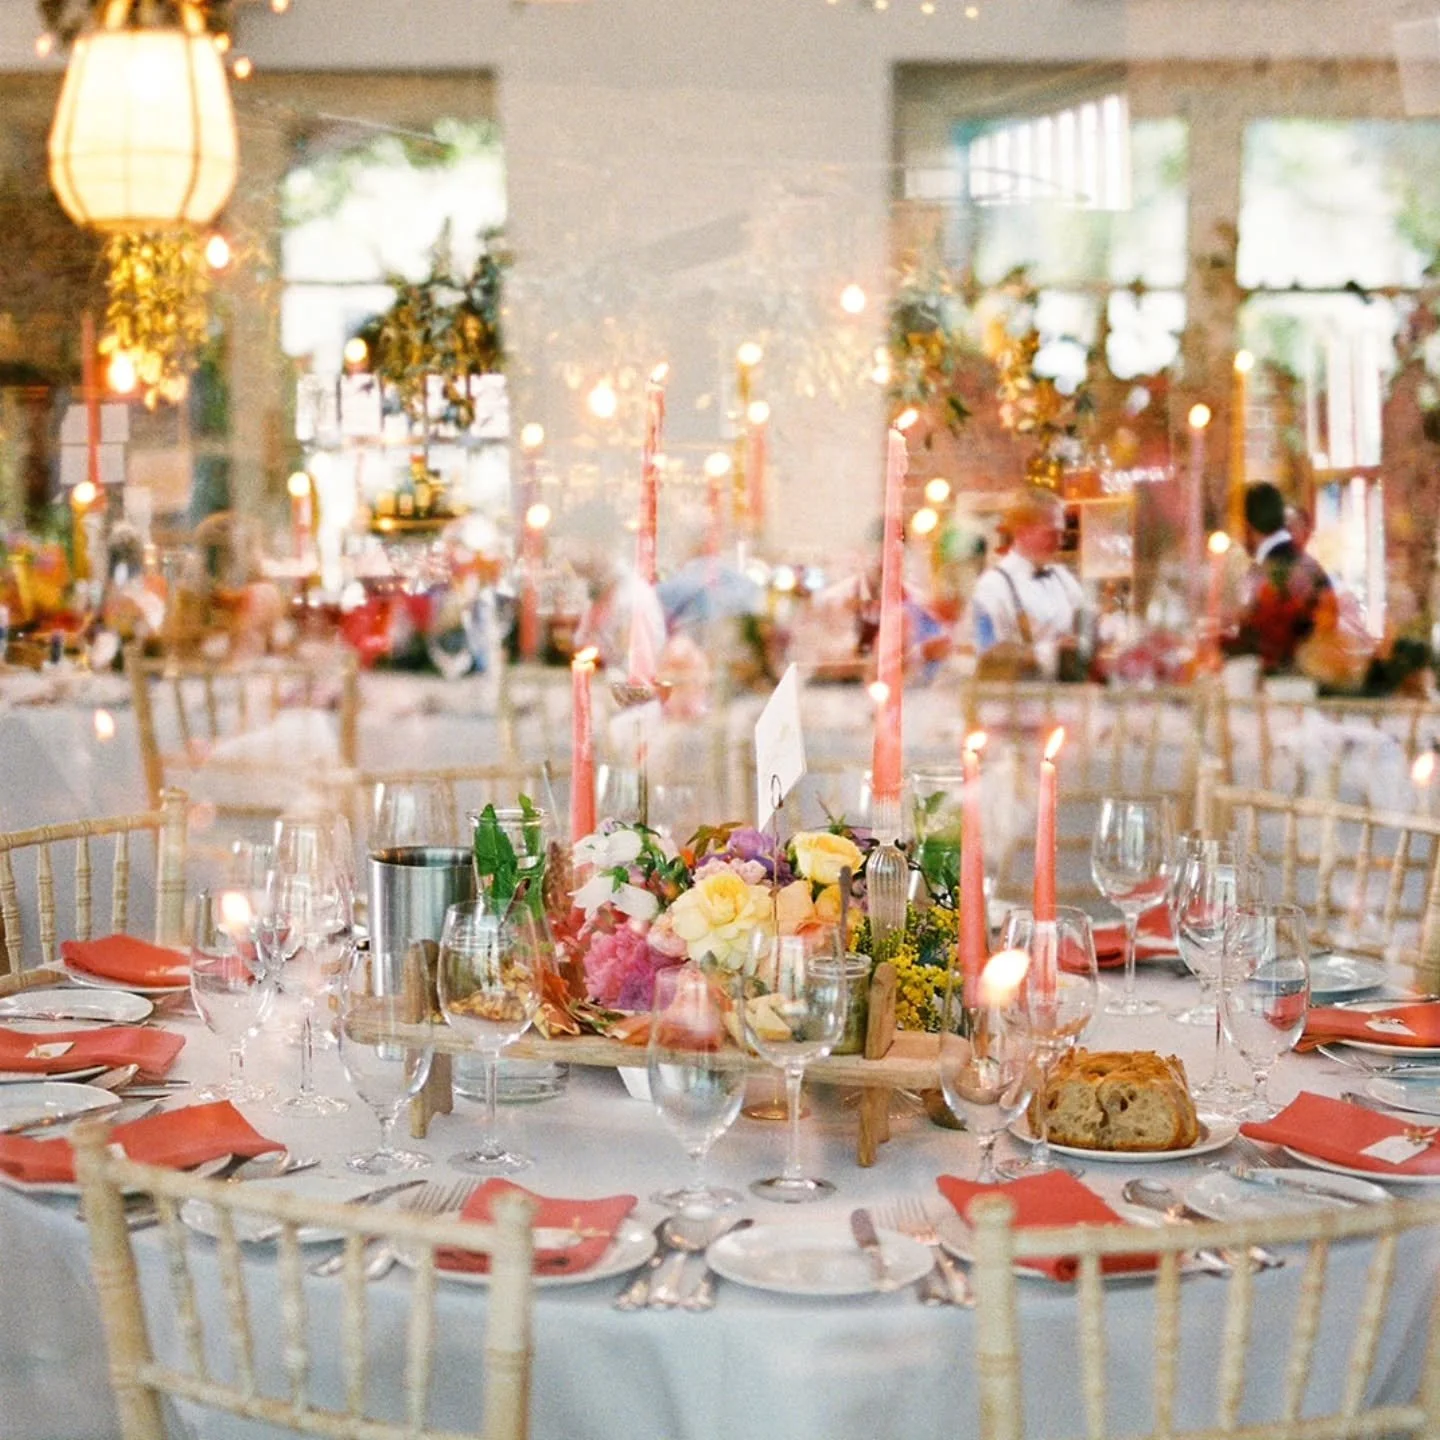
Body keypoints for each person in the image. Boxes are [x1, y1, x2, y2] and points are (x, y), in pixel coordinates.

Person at [967, 488, 1086, 676]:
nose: (1060, 542)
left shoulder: (1062, 577)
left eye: (1061, 534)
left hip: (1065, 690)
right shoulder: (993, 586)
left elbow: (1085, 622)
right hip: (1020, 691)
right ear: (1022, 532)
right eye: (1051, 534)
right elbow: (987, 656)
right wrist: (1049, 653)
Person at [1228, 482, 1333, 674]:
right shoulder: (1310, 566)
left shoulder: (1262, 574)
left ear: (1246, 525)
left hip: (1283, 680)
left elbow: (1255, 640)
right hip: (1315, 675)